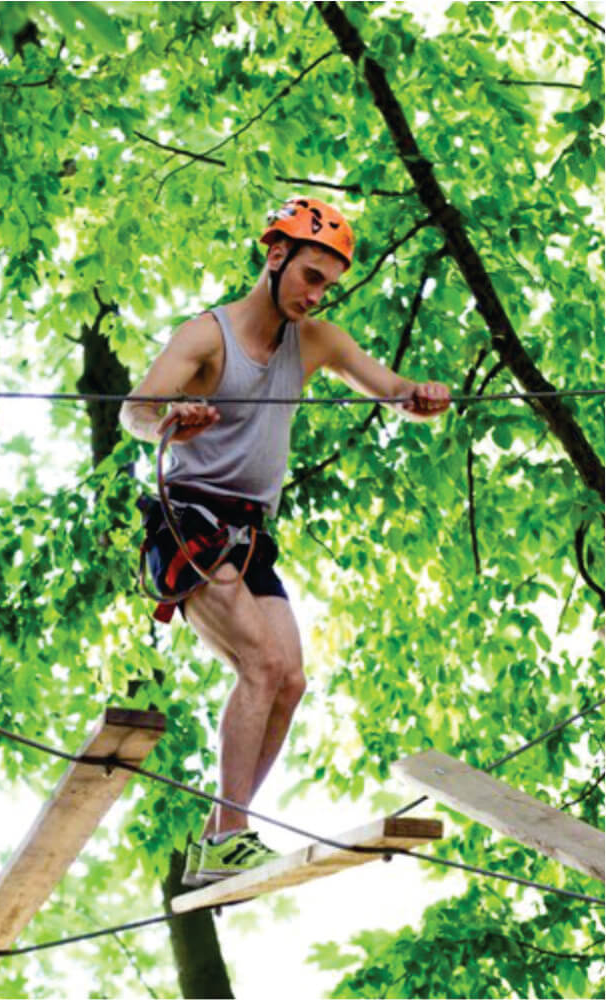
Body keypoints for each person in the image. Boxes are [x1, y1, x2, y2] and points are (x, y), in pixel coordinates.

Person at [120, 196, 450, 886]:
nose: (317, 293)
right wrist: (169, 423)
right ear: (275, 257)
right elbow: (134, 411)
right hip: (192, 525)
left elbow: (389, 391)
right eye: (310, 276)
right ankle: (230, 836)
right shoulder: (207, 338)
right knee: (261, 668)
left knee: (290, 680)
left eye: (328, 284)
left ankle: (219, 838)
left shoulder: (318, 341)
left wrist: (418, 396)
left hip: (252, 535)